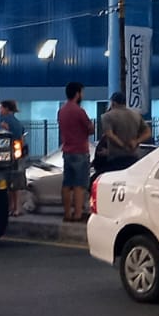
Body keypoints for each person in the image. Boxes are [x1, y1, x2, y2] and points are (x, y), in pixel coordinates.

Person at [58, 81, 95, 222]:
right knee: (79, 184)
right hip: (80, 150)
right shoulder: (79, 111)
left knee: (67, 184)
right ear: (77, 93)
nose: (82, 95)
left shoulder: (62, 111)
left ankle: (67, 213)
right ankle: (78, 214)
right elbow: (90, 128)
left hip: (67, 151)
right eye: (82, 92)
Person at [97, 92, 151, 174]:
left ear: (113, 102)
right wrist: (136, 141)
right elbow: (148, 132)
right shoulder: (136, 115)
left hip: (115, 159)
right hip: (133, 157)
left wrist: (122, 145)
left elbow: (109, 134)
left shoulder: (107, 116)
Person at [0, 99, 27, 215]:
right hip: (17, 154)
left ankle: (10, 207)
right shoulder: (18, 123)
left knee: (8, 183)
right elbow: (22, 139)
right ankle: (17, 208)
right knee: (16, 183)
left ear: (5, 108)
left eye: (0, 107)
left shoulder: (2, 121)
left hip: (5, 155)